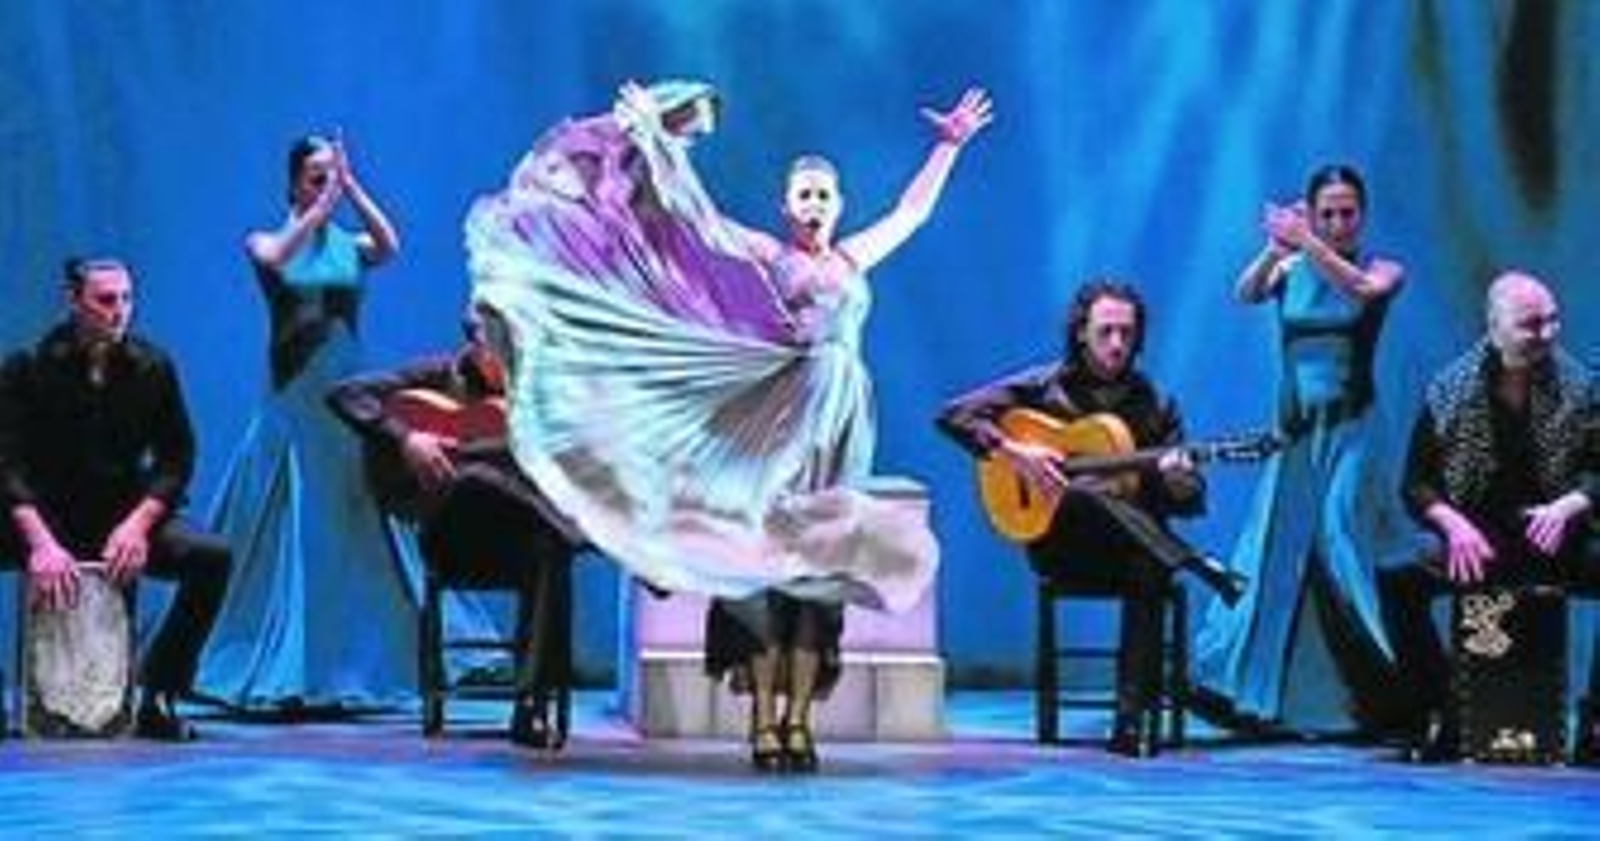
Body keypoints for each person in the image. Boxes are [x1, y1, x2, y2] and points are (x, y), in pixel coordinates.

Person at [465, 81, 990, 771]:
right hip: (784, 413)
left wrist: (948, 147)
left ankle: (798, 720)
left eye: (824, 195)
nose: (814, 204)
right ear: (786, 206)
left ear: (838, 205)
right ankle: (764, 720)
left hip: (843, 419)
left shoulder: (852, 259)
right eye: (803, 194)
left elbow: (911, 212)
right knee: (771, 565)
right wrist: (655, 141)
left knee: (821, 572)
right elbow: (701, 221)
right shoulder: (773, 255)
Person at [938, 280, 1242, 757]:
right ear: (1082, 332)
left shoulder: (1156, 404)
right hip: (1063, 546)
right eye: (1106, 331)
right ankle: (1191, 561)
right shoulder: (1043, 388)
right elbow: (953, 415)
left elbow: (1189, 499)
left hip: (1133, 551)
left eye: (1127, 333)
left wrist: (1173, 479)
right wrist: (1013, 451)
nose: (1117, 343)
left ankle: (1131, 721)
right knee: (1079, 492)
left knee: (1147, 566)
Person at [195, 133, 427, 711]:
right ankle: (288, 660)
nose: (327, 187)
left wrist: (353, 189)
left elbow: (390, 245)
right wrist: (319, 211)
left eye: (331, 176)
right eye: (316, 177)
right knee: (297, 518)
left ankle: (357, 663)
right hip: (295, 396)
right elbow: (275, 258)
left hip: (348, 393)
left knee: (355, 516)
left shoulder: (349, 245)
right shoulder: (266, 240)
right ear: (294, 183)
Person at [1194, 164, 1418, 736]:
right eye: (1327, 214)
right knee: (1274, 550)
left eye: (1348, 213)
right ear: (1314, 214)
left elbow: (1361, 291)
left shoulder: (1380, 269)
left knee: (1342, 544)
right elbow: (1245, 292)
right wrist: (1276, 248)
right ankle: (1249, 696)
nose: (1339, 223)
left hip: (1352, 431)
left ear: (1361, 215)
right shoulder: (1294, 266)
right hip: (1295, 432)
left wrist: (1307, 242)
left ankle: (1391, 698)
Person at [326, 305, 583, 748]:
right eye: (497, 346)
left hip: (516, 537)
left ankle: (530, 704)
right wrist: (407, 438)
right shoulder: (435, 376)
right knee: (471, 477)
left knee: (549, 549)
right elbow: (344, 394)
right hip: (450, 537)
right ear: (475, 345)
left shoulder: (535, 394)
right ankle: (582, 535)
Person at [0, 257, 232, 740]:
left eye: (126, 299)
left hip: (119, 519)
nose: (119, 311)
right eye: (106, 300)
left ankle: (160, 695)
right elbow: (8, 465)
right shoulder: (29, 366)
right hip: (48, 517)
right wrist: (41, 543)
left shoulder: (152, 366)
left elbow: (177, 457)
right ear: (74, 301)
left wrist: (138, 524)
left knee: (211, 558)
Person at [1386, 271, 1597, 763]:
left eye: (1552, 320)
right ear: (1494, 328)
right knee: (1397, 576)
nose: (1547, 333)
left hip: (1557, 539)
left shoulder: (1581, 387)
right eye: (1531, 324)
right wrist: (1452, 523)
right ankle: (1441, 711)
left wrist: (1570, 505)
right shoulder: (1450, 389)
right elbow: (1415, 482)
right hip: (1480, 543)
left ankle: (1597, 722)